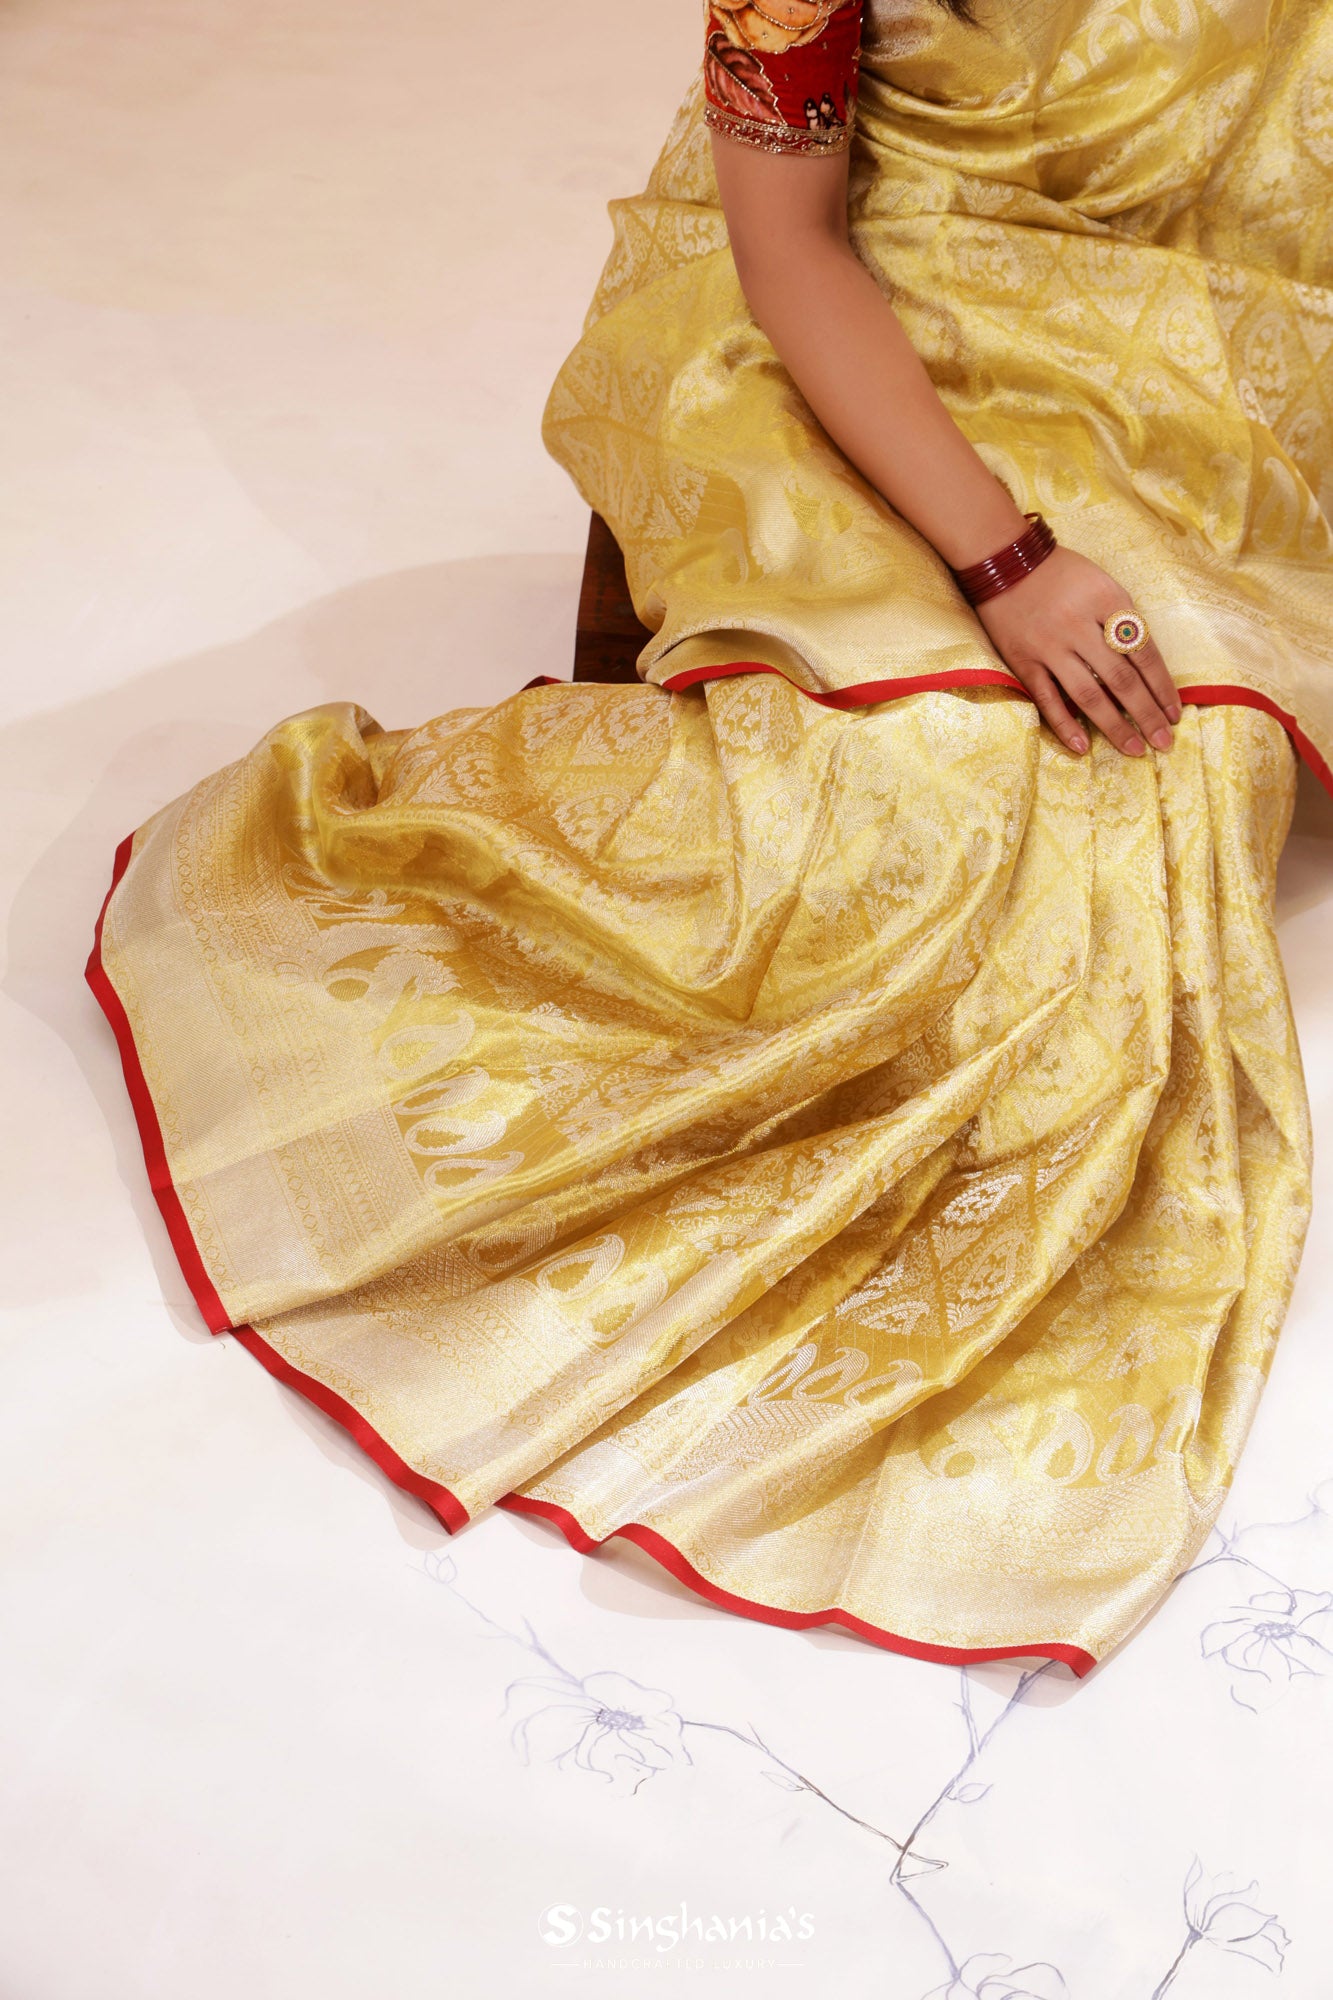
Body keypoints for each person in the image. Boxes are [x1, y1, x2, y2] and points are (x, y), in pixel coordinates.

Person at [88, 0, 1331, 1676]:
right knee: (900, 830)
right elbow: (786, 242)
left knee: (1151, 797)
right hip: (854, 324)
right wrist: (1008, 562)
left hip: (1189, 371)